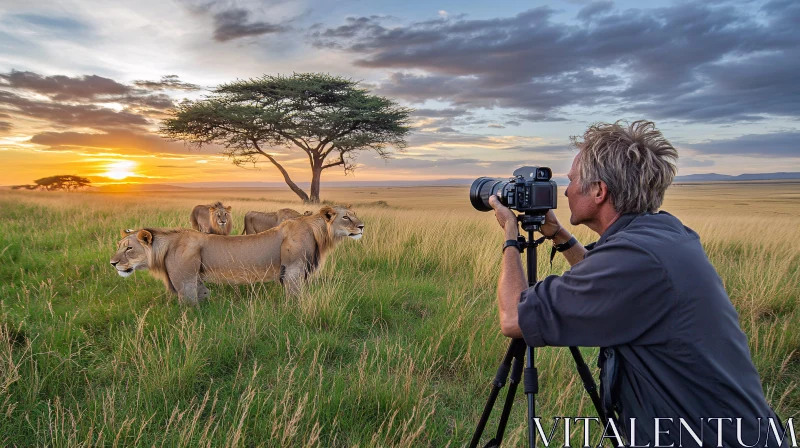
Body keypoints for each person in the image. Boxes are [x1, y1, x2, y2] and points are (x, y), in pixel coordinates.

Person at [488, 120, 786, 447]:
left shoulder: (633, 260)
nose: (566, 191)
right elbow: (607, 279)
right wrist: (559, 235)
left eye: (572, 181)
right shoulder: (664, 234)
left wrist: (511, 236)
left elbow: (513, 318)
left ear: (599, 190)